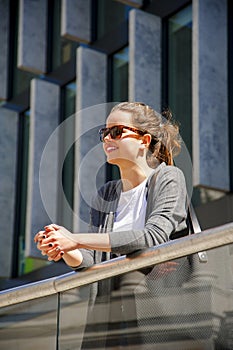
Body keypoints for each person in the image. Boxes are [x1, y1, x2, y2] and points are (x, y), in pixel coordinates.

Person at [34, 101, 189, 347]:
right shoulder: (106, 194)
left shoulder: (168, 177)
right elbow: (92, 262)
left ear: (144, 140)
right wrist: (65, 248)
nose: (107, 138)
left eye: (116, 131)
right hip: (110, 318)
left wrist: (75, 238)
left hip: (156, 315)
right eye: (104, 133)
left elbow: (154, 237)